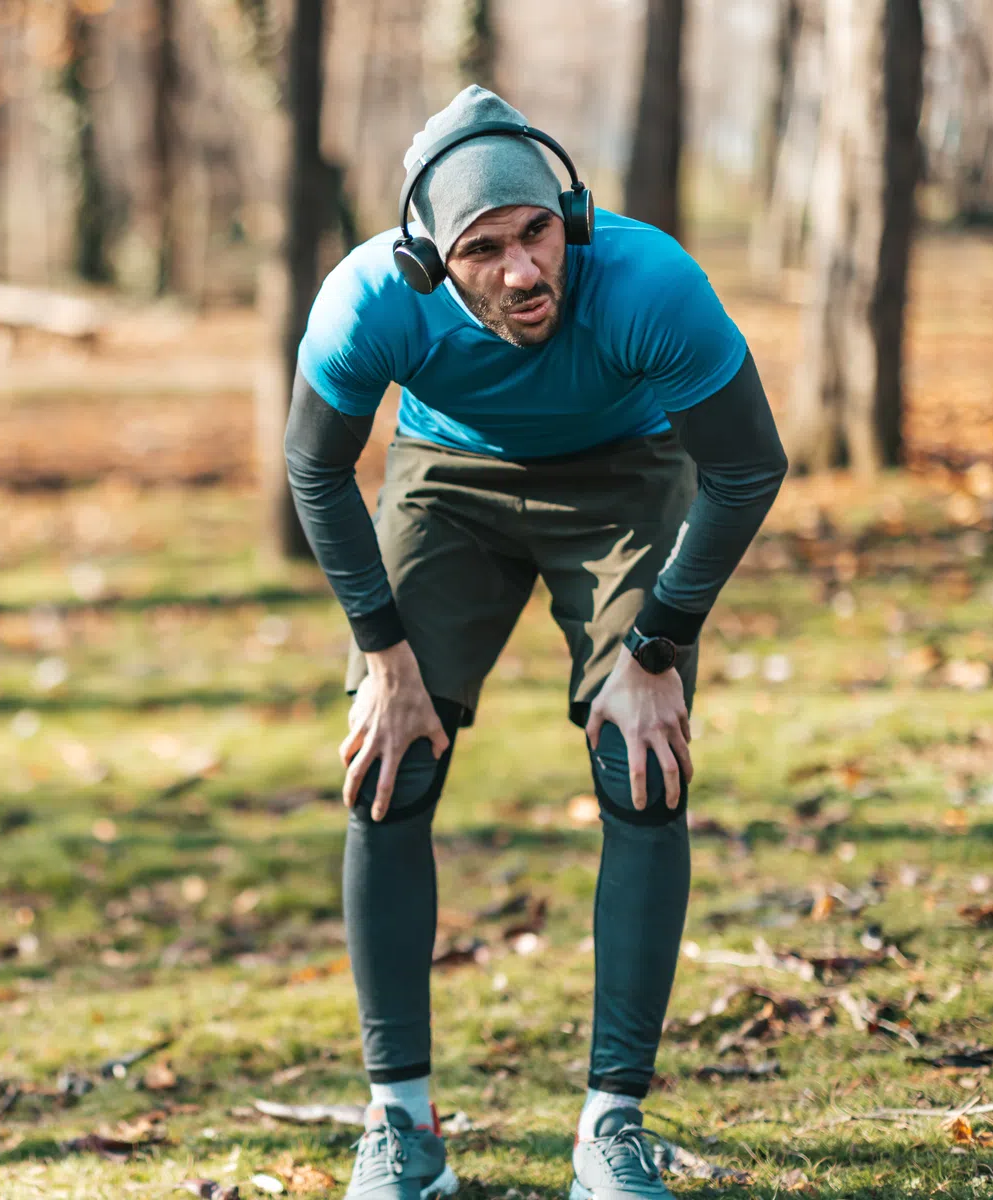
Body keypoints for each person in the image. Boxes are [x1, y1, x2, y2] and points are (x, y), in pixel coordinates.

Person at [283, 86, 788, 1200]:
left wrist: (652, 652)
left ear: (569, 214)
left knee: (642, 769)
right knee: (388, 766)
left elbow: (748, 467)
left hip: (622, 478)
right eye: (483, 249)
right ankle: (400, 1126)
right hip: (445, 483)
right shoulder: (370, 299)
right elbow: (314, 467)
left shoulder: (647, 283)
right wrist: (386, 659)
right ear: (429, 263)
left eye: (536, 233)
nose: (523, 270)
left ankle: (611, 1126)